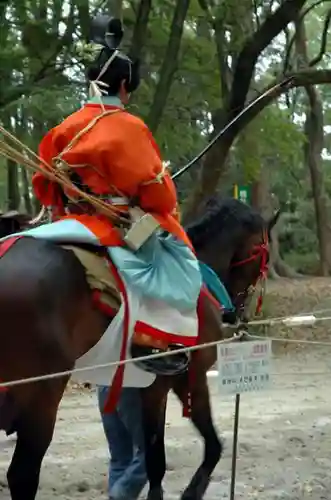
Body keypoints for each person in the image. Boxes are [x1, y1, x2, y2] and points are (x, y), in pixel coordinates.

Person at [31, 15, 202, 376]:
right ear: (123, 85)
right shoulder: (130, 127)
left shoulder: (65, 127)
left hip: (67, 222)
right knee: (176, 266)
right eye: (129, 89)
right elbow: (160, 198)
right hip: (113, 226)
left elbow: (44, 185)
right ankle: (153, 342)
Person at [97, 386, 146, 500]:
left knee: (120, 458)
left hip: (104, 386)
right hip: (131, 385)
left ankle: (117, 493)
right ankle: (120, 495)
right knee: (149, 452)